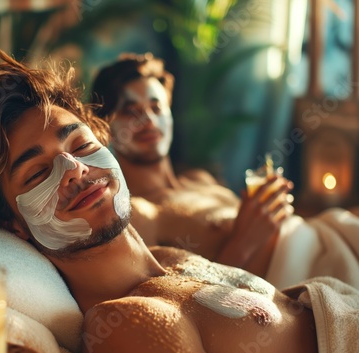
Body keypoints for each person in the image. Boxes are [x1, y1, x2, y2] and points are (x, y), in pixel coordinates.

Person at [0, 50, 359, 353]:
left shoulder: (174, 260)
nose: (75, 169)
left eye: (83, 146)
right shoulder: (124, 326)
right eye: (36, 173)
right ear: (12, 225)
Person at [90, 53, 359, 286]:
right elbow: (191, 301)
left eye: (155, 106)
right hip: (312, 277)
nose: (147, 119)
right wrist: (244, 240)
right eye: (130, 111)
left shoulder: (200, 177)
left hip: (322, 238)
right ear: (104, 129)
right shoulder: (141, 214)